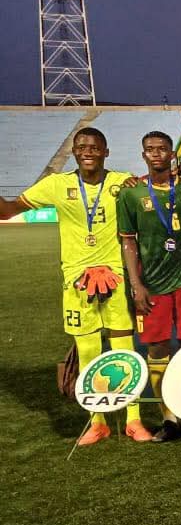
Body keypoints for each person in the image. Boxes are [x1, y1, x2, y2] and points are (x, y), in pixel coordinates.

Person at [0, 128, 150, 444]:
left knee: (124, 349)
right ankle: (98, 422)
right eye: (81, 147)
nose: (87, 152)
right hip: (77, 282)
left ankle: (133, 420)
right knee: (88, 351)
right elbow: (9, 211)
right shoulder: (56, 185)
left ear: (106, 152)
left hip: (115, 278)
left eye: (94, 147)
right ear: (73, 152)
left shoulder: (122, 182)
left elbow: (154, 197)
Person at [118, 131, 181, 443]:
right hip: (152, 283)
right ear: (143, 155)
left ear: (172, 154)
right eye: (150, 149)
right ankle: (169, 417)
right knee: (157, 347)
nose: (156, 154)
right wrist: (136, 285)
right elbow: (128, 242)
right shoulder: (131, 194)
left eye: (162, 149)